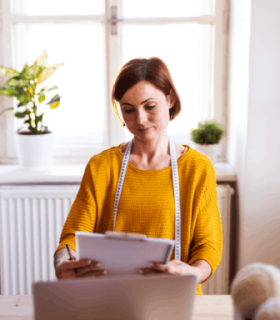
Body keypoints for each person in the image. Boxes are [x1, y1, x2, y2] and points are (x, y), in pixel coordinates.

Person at [53, 57, 223, 295]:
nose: (140, 120)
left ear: (170, 98)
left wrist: (191, 274)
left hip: (175, 296)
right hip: (110, 297)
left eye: (149, 106)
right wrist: (63, 262)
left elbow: (208, 247)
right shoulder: (101, 166)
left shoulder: (197, 168)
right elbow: (72, 236)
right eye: (128, 110)